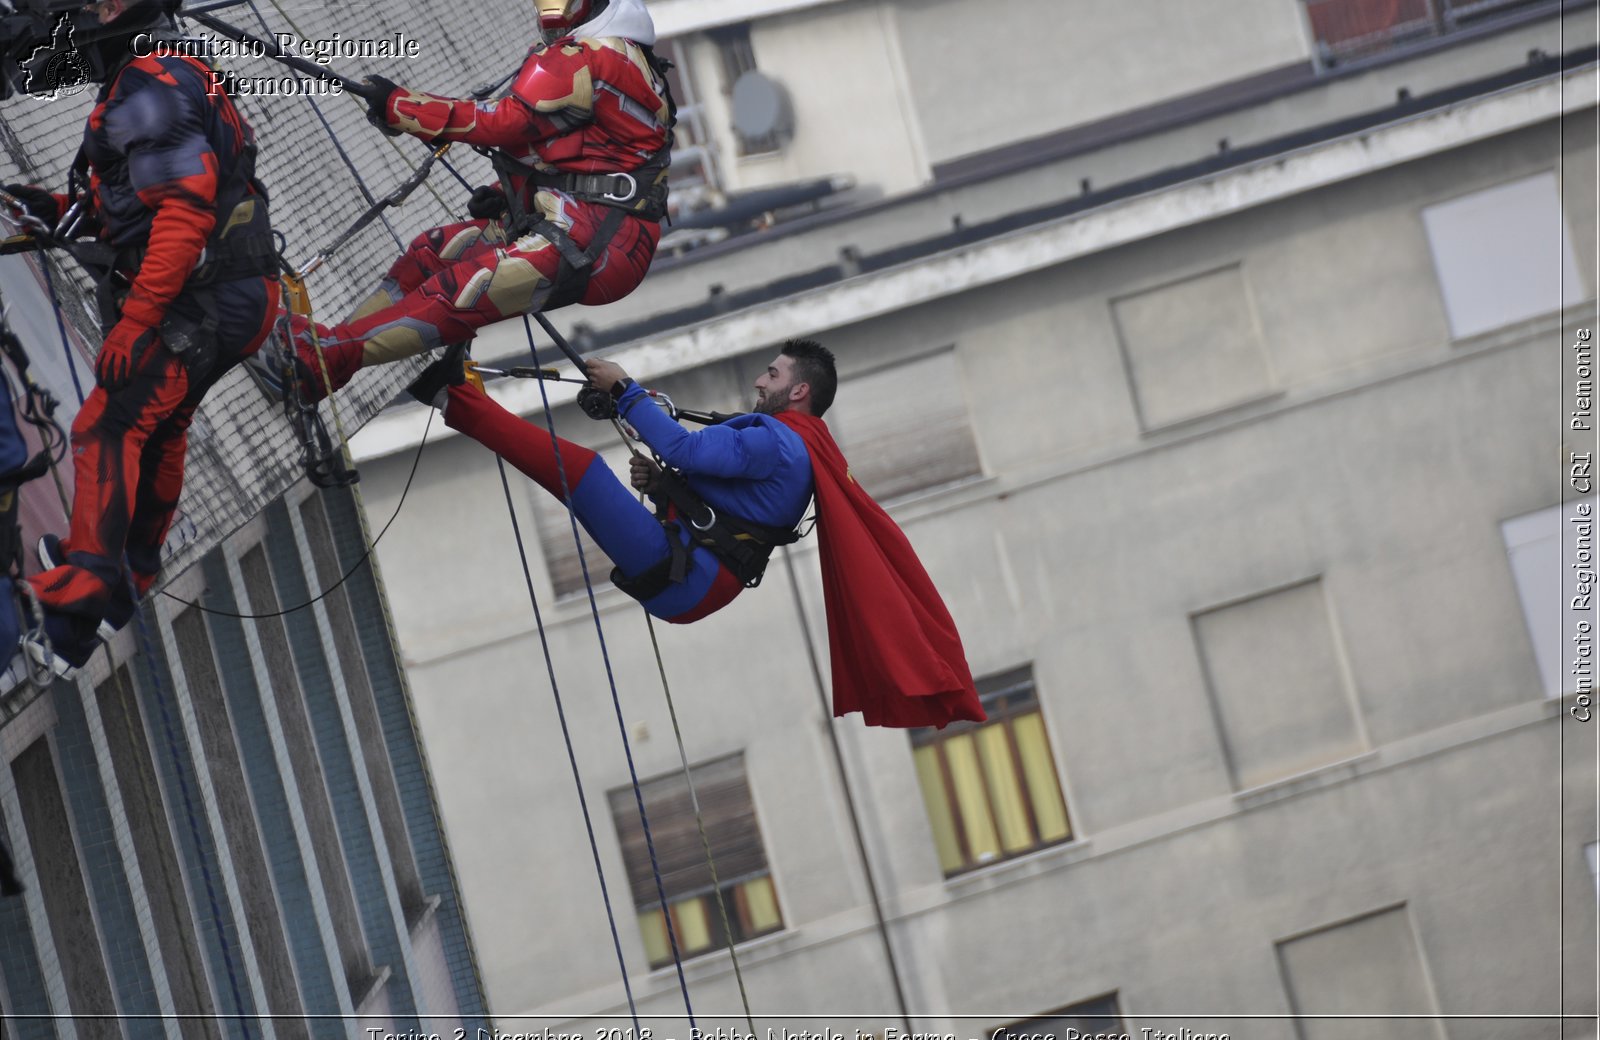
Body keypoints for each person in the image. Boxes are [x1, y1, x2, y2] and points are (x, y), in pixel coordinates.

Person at [410, 339, 987, 729]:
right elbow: (732, 513)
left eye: (773, 373)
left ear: (799, 391)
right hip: (694, 575)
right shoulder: (799, 448)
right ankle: (459, 395)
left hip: (688, 576)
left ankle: (452, 396)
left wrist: (627, 391)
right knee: (582, 472)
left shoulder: (778, 441)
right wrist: (662, 490)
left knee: (581, 470)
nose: (760, 380)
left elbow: (683, 447)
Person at [2, 0, 280, 670]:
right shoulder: (170, 70)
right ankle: (132, 577)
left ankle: (81, 600)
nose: (50, 26)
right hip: (235, 296)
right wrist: (63, 210)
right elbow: (145, 199)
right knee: (162, 426)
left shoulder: (147, 83)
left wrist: (137, 320)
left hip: (199, 300)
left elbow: (182, 213)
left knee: (110, 425)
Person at [256, 0, 673, 403]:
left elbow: (505, 122)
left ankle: (318, 360)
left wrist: (401, 106)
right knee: (431, 253)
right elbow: (588, 151)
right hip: (584, 224)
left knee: (459, 291)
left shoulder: (592, 56)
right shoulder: (620, 54)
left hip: (594, 241)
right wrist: (506, 195)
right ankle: (320, 359)